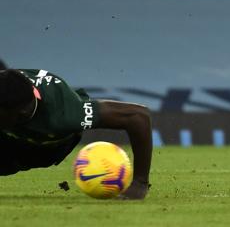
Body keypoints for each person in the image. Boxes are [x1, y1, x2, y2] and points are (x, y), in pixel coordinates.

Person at [0, 68, 152, 199]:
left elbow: (138, 116)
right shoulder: (9, 97)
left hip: (47, 148)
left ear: (22, 113)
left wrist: (140, 183)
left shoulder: (63, 115)